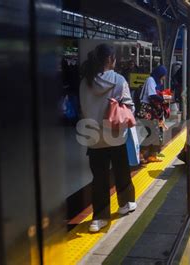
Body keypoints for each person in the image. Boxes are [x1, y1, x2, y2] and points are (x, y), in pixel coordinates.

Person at [80, 43, 137, 232]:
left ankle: (100, 218)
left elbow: (83, 109)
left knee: (99, 178)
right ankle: (125, 204)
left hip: (93, 137)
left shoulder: (84, 82)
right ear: (110, 60)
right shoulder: (119, 80)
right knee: (121, 171)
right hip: (115, 136)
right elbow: (130, 108)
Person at [136, 65, 168, 163]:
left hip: (153, 111)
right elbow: (152, 95)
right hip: (147, 110)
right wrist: (163, 100)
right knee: (152, 133)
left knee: (155, 132)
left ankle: (151, 155)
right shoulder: (151, 80)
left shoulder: (157, 81)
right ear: (159, 74)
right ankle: (141, 154)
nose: (164, 77)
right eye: (163, 75)